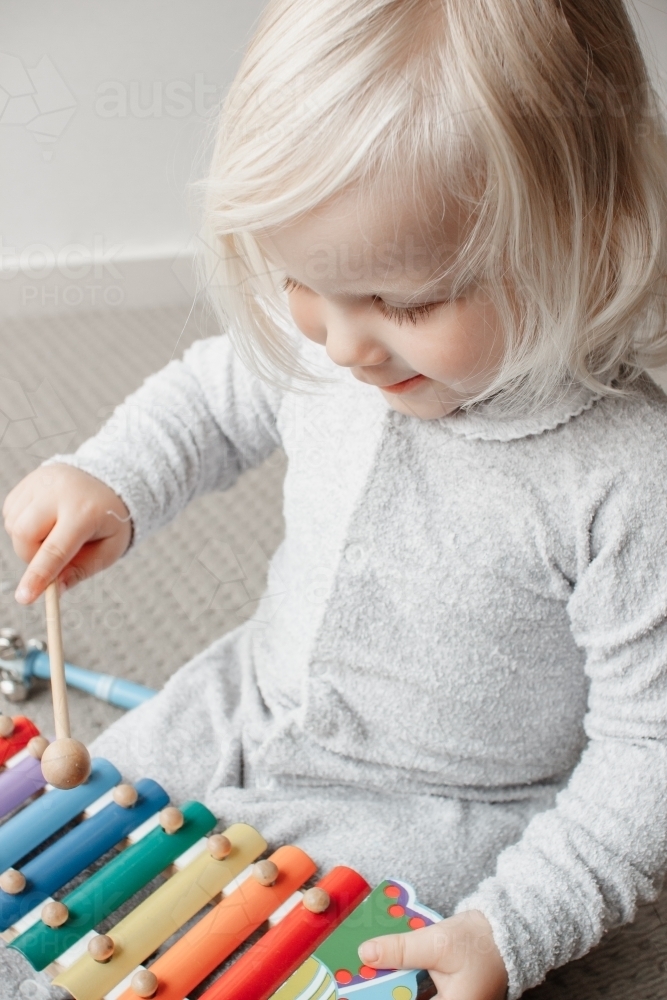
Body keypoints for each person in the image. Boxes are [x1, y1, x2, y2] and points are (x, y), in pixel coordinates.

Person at [4, 1, 667, 997]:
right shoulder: (336, 344)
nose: (343, 345)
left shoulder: (627, 476)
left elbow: (648, 757)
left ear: (584, 232)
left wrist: (516, 925)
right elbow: (214, 392)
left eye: (407, 302)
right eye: (300, 282)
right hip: (242, 698)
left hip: (435, 807)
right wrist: (112, 475)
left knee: (200, 967)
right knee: (49, 862)